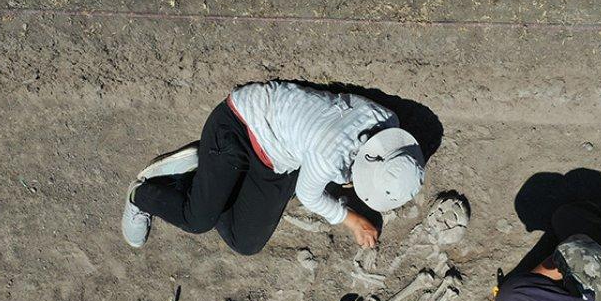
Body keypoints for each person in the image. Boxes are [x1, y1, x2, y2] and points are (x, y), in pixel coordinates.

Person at [121, 80, 426, 254]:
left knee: (246, 242)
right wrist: (354, 220)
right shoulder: (329, 155)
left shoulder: (387, 120)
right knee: (197, 218)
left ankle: (209, 178)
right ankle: (144, 194)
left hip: (280, 155)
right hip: (237, 126)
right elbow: (310, 196)